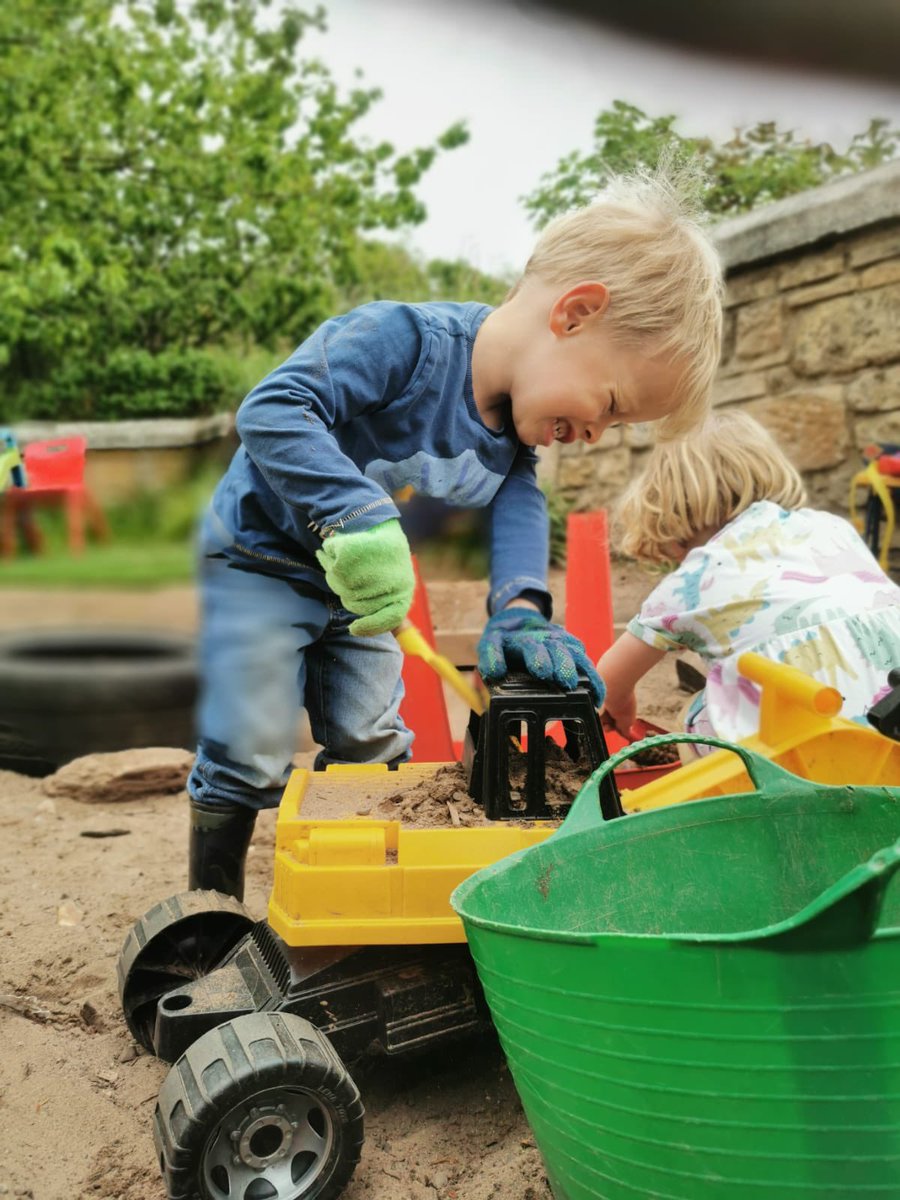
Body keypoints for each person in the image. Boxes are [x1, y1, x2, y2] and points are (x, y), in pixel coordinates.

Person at [187, 171, 724, 898]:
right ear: (575, 314)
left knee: (373, 738)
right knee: (249, 747)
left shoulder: (512, 442)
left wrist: (520, 611)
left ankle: (358, 890)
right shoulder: (403, 343)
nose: (597, 434)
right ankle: (209, 912)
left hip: (361, 596)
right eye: (610, 404)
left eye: (616, 425)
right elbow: (274, 407)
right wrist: (355, 514)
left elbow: (517, 503)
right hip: (260, 559)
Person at [597, 410, 900, 748]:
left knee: (694, 714)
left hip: (800, 755)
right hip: (891, 729)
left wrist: (622, 708)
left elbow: (608, 681)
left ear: (671, 507)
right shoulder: (832, 528)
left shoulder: (692, 580)